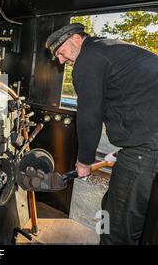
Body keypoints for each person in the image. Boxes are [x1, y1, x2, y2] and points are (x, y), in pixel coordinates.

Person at [45, 23, 158, 244]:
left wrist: (84, 161)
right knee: (110, 205)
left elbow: (90, 115)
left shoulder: (88, 60)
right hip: (145, 143)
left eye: (60, 51)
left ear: (76, 39)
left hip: (147, 146)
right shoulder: (106, 49)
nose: (60, 60)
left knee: (117, 227)